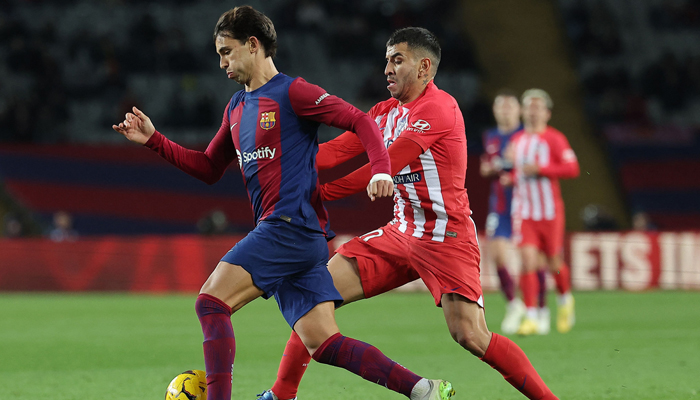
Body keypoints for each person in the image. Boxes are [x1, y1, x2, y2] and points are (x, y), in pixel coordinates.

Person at [113, 7, 453, 400]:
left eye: (227, 51)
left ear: (253, 45)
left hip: (287, 226)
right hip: (300, 239)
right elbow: (208, 168)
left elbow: (361, 121)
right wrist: (155, 140)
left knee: (210, 303)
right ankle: (422, 390)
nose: (221, 62)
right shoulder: (236, 108)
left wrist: (380, 169)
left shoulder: (293, 93)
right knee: (324, 343)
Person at [257, 27, 559, 400]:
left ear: (424, 67)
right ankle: (282, 394)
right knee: (314, 295)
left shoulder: (439, 108)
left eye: (397, 60)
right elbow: (335, 151)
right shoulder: (384, 112)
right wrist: (275, 164)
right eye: (386, 59)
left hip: (446, 237)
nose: (387, 68)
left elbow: (385, 163)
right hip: (401, 231)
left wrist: (316, 192)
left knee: (471, 335)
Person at [504, 89, 580, 336]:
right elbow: (520, 172)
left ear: (547, 113)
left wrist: (542, 168)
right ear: (523, 111)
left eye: (538, 107)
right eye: (529, 106)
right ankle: (532, 315)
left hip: (549, 212)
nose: (533, 111)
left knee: (554, 263)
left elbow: (572, 168)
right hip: (524, 212)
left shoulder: (555, 139)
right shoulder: (517, 141)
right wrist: (511, 177)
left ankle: (565, 299)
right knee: (527, 261)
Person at [479, 89, 527, 334]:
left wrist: (510, 165)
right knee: (497, 255)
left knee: (529, 258)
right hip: (499, 203)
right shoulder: (491, 136)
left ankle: (537, 308)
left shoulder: (526, 135)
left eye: (510, 106)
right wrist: (497, 166)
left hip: (526, 202)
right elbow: (484, 167)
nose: (505, 110)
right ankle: (514, 304)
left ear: (519, 110)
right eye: (501, 106)